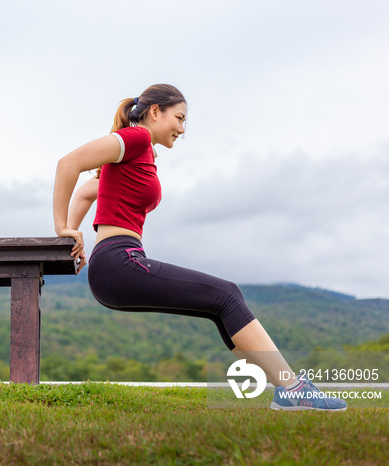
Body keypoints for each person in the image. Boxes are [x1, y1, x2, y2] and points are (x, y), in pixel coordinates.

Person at [52, 84, 346, 411]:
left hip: (115, 264)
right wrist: (64, 229)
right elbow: (69, 163)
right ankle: (293, 389)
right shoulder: (136, 138)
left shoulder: (138, 156)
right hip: (120, 262)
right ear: (154, 112)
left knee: (219, 305)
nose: (182, 128)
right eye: (178, 118)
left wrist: (73, 238)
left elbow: (85, 193)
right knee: (226, 294)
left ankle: (286, 389)